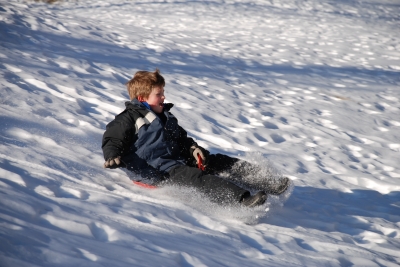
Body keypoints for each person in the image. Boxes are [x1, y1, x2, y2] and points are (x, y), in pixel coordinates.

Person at [102, 69, 288, 207]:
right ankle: (242, 200)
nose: (163, 97)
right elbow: (112, 139)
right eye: (159, 94)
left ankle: (269, 182)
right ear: (142, 98)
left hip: (177, 161)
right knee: (197, 178)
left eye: (163, 92)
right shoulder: (128, 118)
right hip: (157, 171)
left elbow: (181, 139)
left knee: (218, 161)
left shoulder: (165, 117)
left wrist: (193, 149)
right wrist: (112, 156)